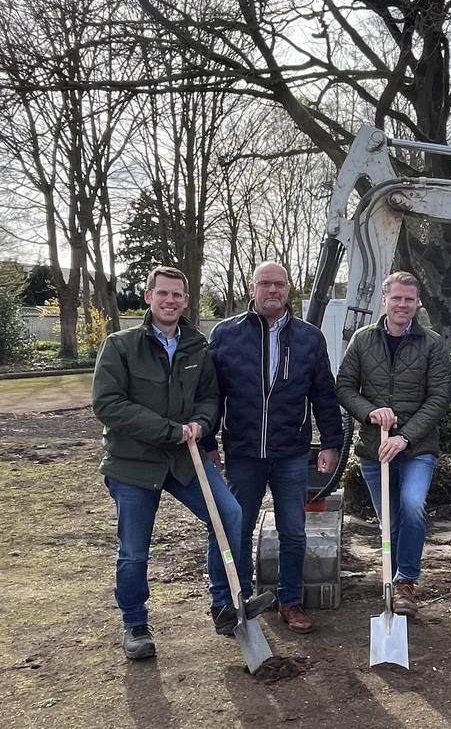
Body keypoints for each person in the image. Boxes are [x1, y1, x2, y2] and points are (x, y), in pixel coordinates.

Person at [93, 265, 271, 661]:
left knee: (229, 514)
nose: (170, 300)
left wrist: (202, 423)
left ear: (186, 301)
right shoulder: (121, 346)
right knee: (134, 550)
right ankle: (135, 624)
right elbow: (108, 404)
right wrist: (169, 430)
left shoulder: (197, 347)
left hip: (183, 459)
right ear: (148, 297)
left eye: (177, 294)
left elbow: (210, 397)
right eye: (163, 293)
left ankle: (225, 604)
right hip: (134, 463)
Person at [208, 261, 343, 635]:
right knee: (238, 528)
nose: (272, 290)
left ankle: (290, 601)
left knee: (294, 532)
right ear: (252, 288)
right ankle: (239, 601)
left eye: (279, 284)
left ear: (288, 290)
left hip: (291, 453)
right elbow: (211, 394)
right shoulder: (225, 335)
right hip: (243, 452)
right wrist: (207, 442)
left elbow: (324, 394)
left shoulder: (309, 338)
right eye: (265, 283)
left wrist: (331, 443)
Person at [336, 271, 450, 618]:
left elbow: (439, 398)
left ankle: (405, 582)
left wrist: (404, 437)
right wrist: (371, 412)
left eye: (409, 299)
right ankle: (395, 578)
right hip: (375, 449)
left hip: (417, 448)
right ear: (384, 300)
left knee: (413, 506)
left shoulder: (432, 344)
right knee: (390, 519)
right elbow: (344, 387)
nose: (403, 304)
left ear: (418, 303)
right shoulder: (362, 340)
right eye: (396, 298)